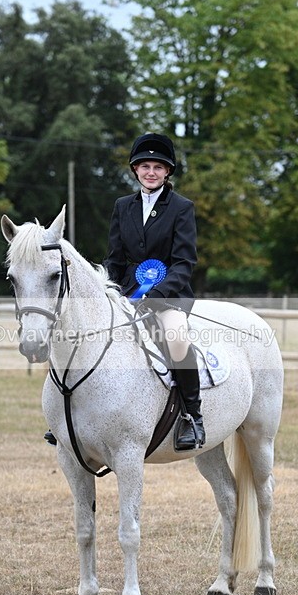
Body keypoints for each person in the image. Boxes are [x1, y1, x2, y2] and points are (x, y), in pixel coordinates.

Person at [103, 133, 205, 450]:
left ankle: (192, 416)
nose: (151, 172)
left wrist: (157, 293)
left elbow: (184, 262)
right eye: (145, 166)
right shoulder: (123, 206)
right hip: (127, 294)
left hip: (170, 295)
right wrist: (106, 289)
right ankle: (74, 418)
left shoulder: (181, 208)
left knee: (176, 336)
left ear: (167, 172)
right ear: (135, 169)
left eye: (158, 167)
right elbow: (114, 259)